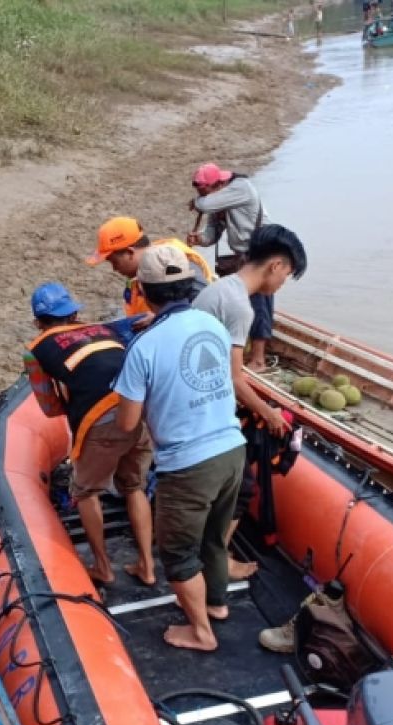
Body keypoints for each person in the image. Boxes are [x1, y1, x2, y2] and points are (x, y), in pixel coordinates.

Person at [114, 245, 247, 652]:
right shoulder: (214, 326)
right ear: (189, 285)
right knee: (213, 538)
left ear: (142, 290)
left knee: (177, 552)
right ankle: (217, 605)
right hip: (232, 449)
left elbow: (126, 423)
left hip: (188, 464)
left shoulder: (144, 347)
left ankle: (201, 632)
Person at [193, 224, 308, 581]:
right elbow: (234, 376)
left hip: (192, 395)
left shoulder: (219, 289)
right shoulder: (241, 308)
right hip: (203, 409)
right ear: (275, 265)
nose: (281, 284)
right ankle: (220, 561)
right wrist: (268, 411)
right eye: (286, 276)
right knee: (241, 488)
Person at [23, 282, 156, 586]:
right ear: (74, 313)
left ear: (38, 322)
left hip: (100, 419)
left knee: (85, 491)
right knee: (134, 486)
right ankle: (147, 567)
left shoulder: (37, 350)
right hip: (137, 410)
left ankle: (103, 567)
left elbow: (50, 407)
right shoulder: (104, 330)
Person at [185, 163, 275, 371]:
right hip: (243, 254)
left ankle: (259, 360)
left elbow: (204, 205)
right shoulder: (217, 202)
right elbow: (212, 234)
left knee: (259, 303)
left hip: (262, 250)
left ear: (218, 184)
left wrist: (197, 202)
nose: (202, 196)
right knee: (245, 302)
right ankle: (248, 350)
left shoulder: (241, 187)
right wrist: (199, 239)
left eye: (204, 191)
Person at [85, 216, 215, 327]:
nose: (114, 269)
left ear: (130, 252)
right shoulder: (142, 271)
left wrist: (161, 318)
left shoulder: (176, 265)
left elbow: (210, 310)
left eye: (114, 262)